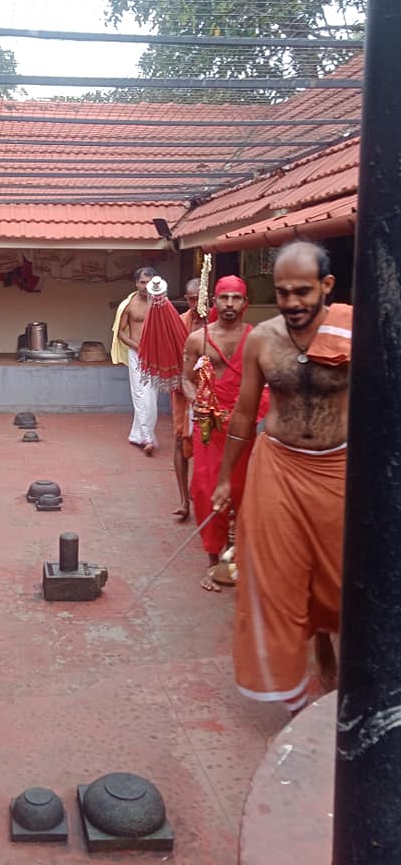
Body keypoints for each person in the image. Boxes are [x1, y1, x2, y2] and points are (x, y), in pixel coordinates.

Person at [211, 241, 350, 712]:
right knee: (274, 575)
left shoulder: (355, 331)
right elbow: (244, 414)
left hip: (337, 468)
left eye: (302, 291)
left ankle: (331, 648)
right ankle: (293, 695)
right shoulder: (262, 339)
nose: (291, 302)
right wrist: (227, 478)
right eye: (283, 291)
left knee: (341, 574)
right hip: (278, 464)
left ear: (327, 286)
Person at [182, 275, 261, 592]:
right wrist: (197, 402)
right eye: (224, 298)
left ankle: (238, 561)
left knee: (243, 492)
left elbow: (267, 383)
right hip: (209, 428)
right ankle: (213, 564)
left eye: (236, 298)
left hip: (244, 427)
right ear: (214, 301)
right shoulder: (197, 340)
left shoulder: (257, 338)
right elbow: (185, 379)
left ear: (246, 303)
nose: (229, 304)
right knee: (205, 490)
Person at [114, 265, 158, 455]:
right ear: (136, 283)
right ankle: (147, 437)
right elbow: (119, 333)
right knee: (140, 395)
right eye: (142, 282)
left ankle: (137, 435)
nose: (145, 286)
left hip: (155, 355)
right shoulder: (129, 304)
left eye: (149, 283)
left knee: (152, 398)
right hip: (136, 353)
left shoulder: (159, 303)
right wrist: (137, 347)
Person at [170, 278, 205, 520]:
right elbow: (169, 357)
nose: (195, 304)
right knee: (179, 442)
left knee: (207, 445)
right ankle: (184, 500)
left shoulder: (217, 322)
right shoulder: (180, 323)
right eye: (191, 299)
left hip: (211, 392)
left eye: (199, 298)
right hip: (184, 391)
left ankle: (200, 492)